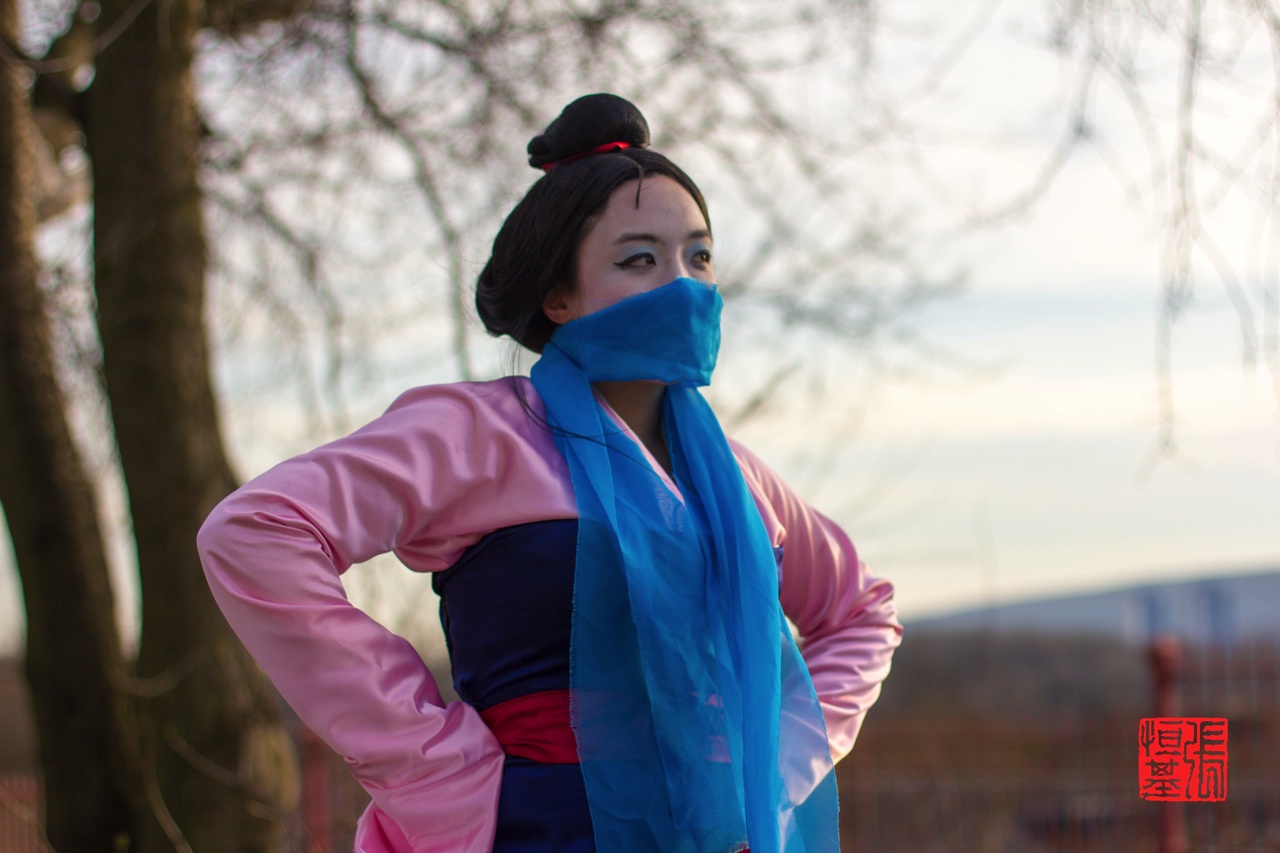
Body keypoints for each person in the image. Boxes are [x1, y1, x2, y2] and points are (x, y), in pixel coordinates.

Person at [198, 93, 902, 853]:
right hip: (535, 829)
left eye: (699, 257)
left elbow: (860, 613)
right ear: (558, 296)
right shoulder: (480, 435)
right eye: (640, 260)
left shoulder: (737, 481)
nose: (683, 285)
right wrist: (428, 764)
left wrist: (777, 769)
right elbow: (256, 532)